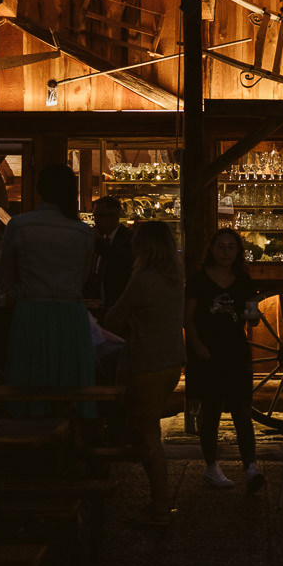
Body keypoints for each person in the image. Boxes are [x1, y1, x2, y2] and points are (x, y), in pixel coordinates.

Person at [104, 220, 184, 524]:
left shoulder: (143, 280)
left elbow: (114, 319)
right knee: (146, 431)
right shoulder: (174, 279)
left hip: (146, 364)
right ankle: (157, 500)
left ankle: (161, 505)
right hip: (171, 362)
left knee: (149, 436)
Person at [0, 164, 96, 416]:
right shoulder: (82, 232)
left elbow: (6, 275)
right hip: (71, 315)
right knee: (70, 389)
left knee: (30, 385)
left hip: (31, 311)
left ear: (39, 189)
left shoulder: (20, 225)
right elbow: (83, 277)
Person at [185, 226, 263, 493]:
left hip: (235, 351)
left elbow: (250, 314)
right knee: (211, 413)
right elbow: (189, 317)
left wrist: (254, 317)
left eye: (231, 247)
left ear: (238, 251)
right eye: (221, 246)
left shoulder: (243, 280)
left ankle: (251, 468)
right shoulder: (198, 279)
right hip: (207, 354)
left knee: (242, 412)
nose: (225, 252)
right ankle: (211, 466)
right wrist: (196, 345)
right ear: (212, 249)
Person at [88, 196, 134, 317]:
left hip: (119, 306)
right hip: (99, 307)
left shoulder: (128, 239)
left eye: (101, 216)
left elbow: (119, 261)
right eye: (95, 216)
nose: (96, 220)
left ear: (115, 216)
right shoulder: (98, 239)